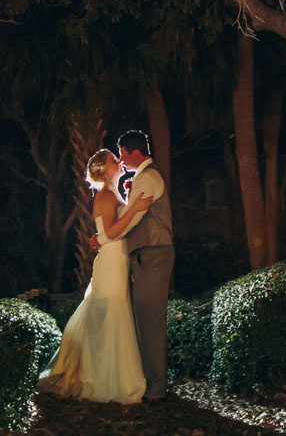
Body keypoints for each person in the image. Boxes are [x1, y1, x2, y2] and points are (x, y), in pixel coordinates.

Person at [36, 149, 155, 403]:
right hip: (111, 263)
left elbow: (112, 231)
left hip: (117, 260)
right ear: (104, 170)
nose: (119, 161)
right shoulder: (104, 196)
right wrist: (134, 206)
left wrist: (128, 198)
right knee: (111, 315)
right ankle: (109, 380)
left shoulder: (113, 193)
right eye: (114, 160)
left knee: (111, 315)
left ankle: (106, 374)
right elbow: (112, 232)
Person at [114, 129, 173, 402]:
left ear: (136, 152)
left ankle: (157, 387)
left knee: (150, 319)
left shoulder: (148, 178)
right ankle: (151, 382)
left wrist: (107, 234)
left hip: (153, 253)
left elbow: (133, 217)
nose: (121, 159)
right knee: (144, 318)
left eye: (123, 154)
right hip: (146, 254)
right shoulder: (144, 178)